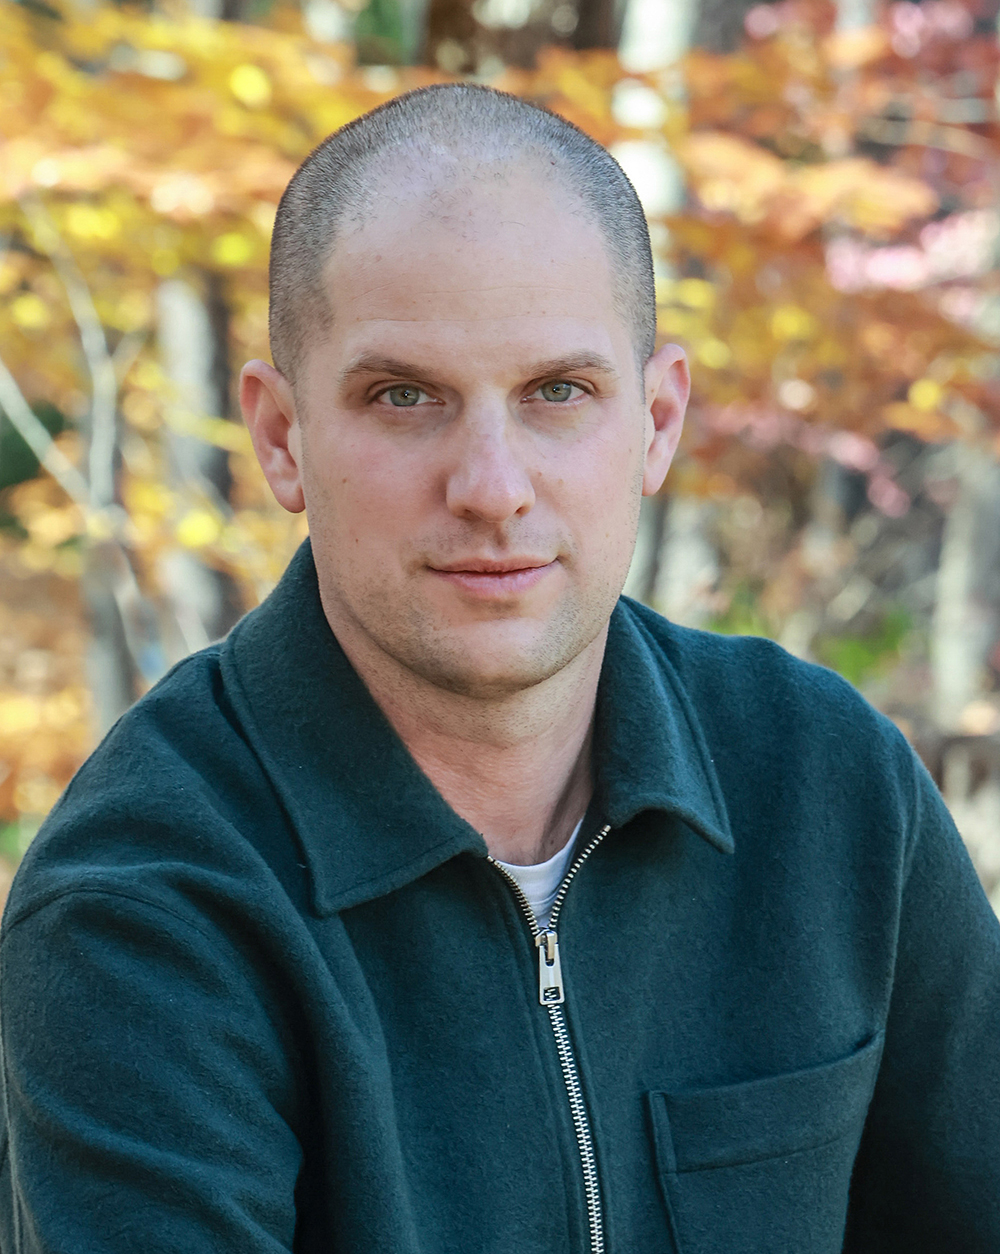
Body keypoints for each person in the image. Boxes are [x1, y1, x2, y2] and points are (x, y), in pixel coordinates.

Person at [1, 83, 998, 1254]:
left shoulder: (827, 786)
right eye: (404, 396)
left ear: (657, 420)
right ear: (282, 437)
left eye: (557, 393)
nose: (491, 485)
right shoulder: (141, 907)